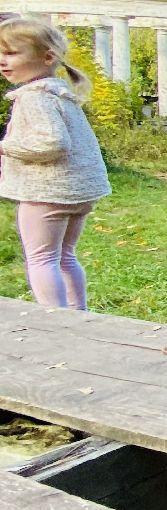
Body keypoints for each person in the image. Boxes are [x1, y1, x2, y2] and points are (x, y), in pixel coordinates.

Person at [0, 15, 111, 309]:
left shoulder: (34, 97)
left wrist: (6, 147)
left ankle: (56, 321)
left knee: (41, 259)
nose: (2, 61)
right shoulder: (61, 94)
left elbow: (52, 143)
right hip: (78, 192)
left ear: (47, 56)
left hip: (47, 192)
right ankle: (79, 314)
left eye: (11, 53)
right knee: (65, 255)